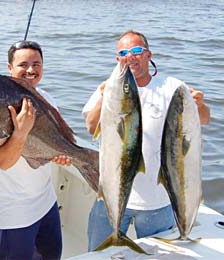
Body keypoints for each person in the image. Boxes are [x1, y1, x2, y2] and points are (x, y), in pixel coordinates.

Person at [82, 30, 210, 251]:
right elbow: (92, 127)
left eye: (137, 51)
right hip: (110, 193)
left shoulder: (172, 87)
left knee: (155, 256)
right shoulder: (111, 86)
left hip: (157, 201)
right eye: (123, 52)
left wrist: (198, 104)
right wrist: (104, 96)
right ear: (117, 59)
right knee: (97, 254)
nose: (130, 56)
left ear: (148, 55)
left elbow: (205, 119)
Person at [0, 40, 71, 260]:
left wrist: (59, 155)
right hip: (13, 208)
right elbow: (3, 161)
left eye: (36, 64)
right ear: (9, 68)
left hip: (46, 200)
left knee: (52, 256)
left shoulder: (47, 99)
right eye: (23, 64)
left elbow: (53, 145)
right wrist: (20, 132)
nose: (31, 70)